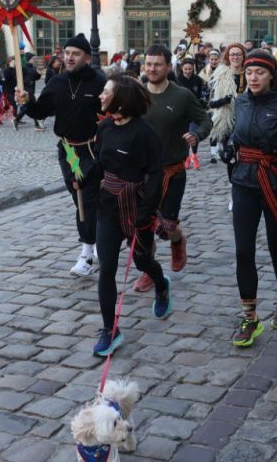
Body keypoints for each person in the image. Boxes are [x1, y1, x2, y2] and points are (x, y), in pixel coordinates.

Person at [221, 49, 277, 347]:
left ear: (272, 76)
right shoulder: (241, 102)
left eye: (260, 72)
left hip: (274, 182)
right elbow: (234, 135)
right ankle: (250, 317)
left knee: (275, 244)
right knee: (243, 251)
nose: (254, 77)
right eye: (250, 72)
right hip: (243, 181)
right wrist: (230, 149)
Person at [83, 74, 170, 357]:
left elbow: (156, 176)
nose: (100, 96)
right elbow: (101, 161)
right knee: (107, 267)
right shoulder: (106, 125)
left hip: (136, 207)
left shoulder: (144, 134)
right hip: (108, 206)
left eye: (105, 92)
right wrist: (86, 176)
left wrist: (145, 215)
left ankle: (161, 283)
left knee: (144, 260)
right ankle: (110, 329)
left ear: (119, 99)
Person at [17, 33, 106, 277]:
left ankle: (86, 256)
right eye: (67, 53)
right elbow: (41, 111)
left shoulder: (99, 82)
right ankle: (95, 240)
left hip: (92, 148)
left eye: (75, 54)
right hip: (68, 150)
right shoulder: (56, 82)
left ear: (87, 57)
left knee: (86, 198)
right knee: (78, 196)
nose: (69, 57)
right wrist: (27, 101)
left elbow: (111, 113)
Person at [132, 46, 213, 292]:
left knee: (167, 226)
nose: (152, 68)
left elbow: (205, 120)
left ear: (169, 67)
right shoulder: (136, 94)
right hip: (142, 173)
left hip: (172, 171)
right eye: (148, 64)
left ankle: (178, 241)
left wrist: (197, 135)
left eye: (157, 64)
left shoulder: (182, 96)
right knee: (145, 225)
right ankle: (149, 268)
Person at [208, 43, 247, 170]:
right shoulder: (220, 76)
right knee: (230, 159)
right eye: (232, 54)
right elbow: (211, 104)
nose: (235, 57)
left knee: (245, 156)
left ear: (243, 56)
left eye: (238, 54)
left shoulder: (249, 74)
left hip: (246, 119)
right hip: (227, 121)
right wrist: (224, 101)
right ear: (228, 57)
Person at [175, 57, 208, 170]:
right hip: (181, 111)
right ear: (181, 69)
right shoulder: (177, 80)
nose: (188, 71)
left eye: (190, 69)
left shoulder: (198, 80)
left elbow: (200, 94)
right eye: (186, 69)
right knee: (184, 135)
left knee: (193, 134)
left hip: (194, 110)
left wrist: (202, 101)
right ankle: (186, 157)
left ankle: (194, 155)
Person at [15, 52, 42, 131]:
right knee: (33, 106)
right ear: (29, 59)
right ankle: (37, 125)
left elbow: (35, 77)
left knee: (27, 107)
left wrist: (39, 74)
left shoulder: (32, 67)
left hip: (31, 90)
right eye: (33, 59)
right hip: (27, 91)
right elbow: (25, 76)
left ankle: (16, 120)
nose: (34, 60)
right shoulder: (24, 68)